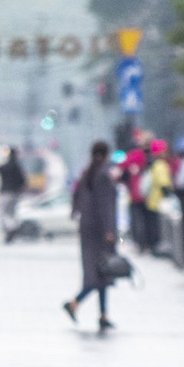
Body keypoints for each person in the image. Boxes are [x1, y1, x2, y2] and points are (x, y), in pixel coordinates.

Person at [63, 140, 118, 333]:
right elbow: (105, 206)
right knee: (99, 274)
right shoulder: (103, 175)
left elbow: (76, 197)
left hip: (87, 229)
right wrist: (110, 231)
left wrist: (76, 212)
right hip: (100, 232)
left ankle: (103, 315)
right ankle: (74, 303)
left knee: (102, 273)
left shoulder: (87, 173)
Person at [144, 138, 173, 255]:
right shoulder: (161, 165)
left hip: (152, 201)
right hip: (160, 203)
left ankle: (154, 248)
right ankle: (159, 250)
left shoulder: (154, 165)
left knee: (153, 227)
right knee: (159, 229)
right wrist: (171, 196)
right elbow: (164, 184)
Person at [0, 146, 27, 241]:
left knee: (4, 213)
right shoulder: (18, 166)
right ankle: (12, 230)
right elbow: (23, 180)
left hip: (6, 193)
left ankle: (12, 228)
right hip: (15, 194)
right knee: (12, 213)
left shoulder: (7, 166)